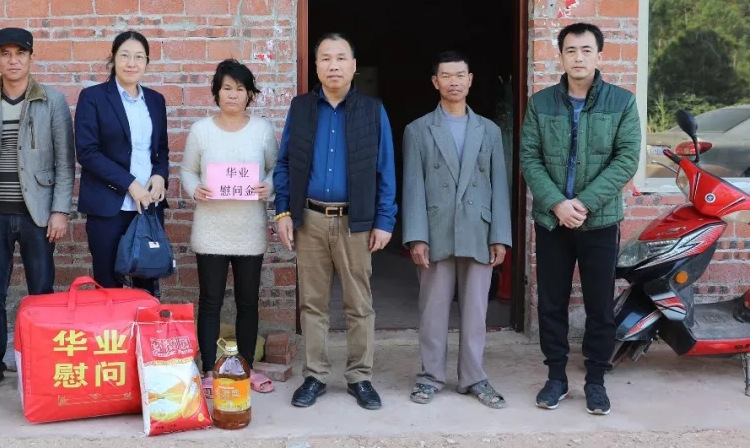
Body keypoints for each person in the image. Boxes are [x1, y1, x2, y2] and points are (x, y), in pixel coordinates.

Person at [521, 22, 640, 416]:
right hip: (552, 221)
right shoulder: (541, 103)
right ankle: (556, 377)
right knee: (551, 302)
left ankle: (595, 381)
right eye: (571, 50)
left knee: (599, 306)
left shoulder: (622, 102)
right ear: (560, 56)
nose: (578, 57)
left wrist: (584, 203)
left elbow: (626, 159)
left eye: (586, 50)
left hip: (599, 221)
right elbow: (529, 157)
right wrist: (557, 203)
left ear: (599, 55)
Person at [273, 32, 397, 410]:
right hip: (309, 219)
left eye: (341, 58)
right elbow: (284, 163)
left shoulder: (372, 110)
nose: (333, 66)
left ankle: (360, 377)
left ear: (354, 66)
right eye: (326, 58)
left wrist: (385, 219)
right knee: (313, 304)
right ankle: (315, 375)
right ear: (316, 66)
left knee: (359, 304)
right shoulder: (301, 108)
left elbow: (386, 169)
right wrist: (283, 212)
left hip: (354, 222)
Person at [401, 50, 512, 409]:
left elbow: (499, 186)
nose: (453, 82)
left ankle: (474, 377)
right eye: (446, 76)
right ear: (435, 82)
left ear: (470, 80)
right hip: (436, 230)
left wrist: (500, 236)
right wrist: (416, 236)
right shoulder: (418, 130)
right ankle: (430, 376)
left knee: (476, 310)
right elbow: (413, 187)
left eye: (460, 75)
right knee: (432, 309)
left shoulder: (489, 130)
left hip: (478, 229)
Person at [0, 27, 75, 395]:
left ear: (31, 58)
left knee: (41, 292)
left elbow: (65, 161)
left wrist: (60, 210)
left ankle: (42, 361)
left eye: (20, 54)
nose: (13, 61)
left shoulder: (51, 101)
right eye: (6, 54)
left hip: (38, 213)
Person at [179, 59, 279, 396]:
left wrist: (269, 186)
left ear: (249, 94)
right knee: (210, 301)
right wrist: (194, 189)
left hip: (249, 229)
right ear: (216, 92)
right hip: (211, 229)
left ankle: (246, 367)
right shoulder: (201, 131)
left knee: (248, 301)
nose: (232, 95)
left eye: (239, 89)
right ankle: (208, 369)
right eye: (226, 88)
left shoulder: (262, 130)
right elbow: (188, 170)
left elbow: (275, 169)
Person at [74, 30, 169, 297]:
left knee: (146, 286)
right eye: (125, 55)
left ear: (147, 62)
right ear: (113, 58)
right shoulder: (93, 97)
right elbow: (87, 152)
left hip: (147, 207)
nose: (131, 63)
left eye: (139, 57)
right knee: (108, 286)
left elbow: (161, 150)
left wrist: (160, 175)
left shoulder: (155, 101)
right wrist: (130, 184)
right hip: (108, 208)